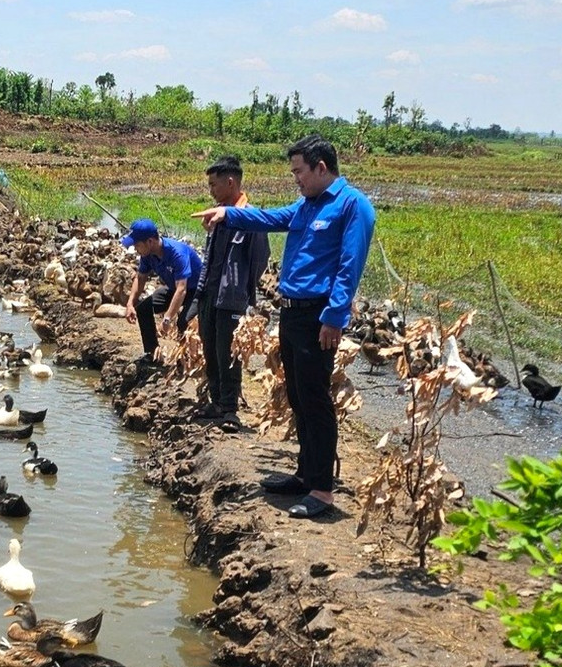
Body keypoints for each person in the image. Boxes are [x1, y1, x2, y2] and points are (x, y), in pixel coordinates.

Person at [195, 135, 375, 518]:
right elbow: (272, 218)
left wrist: (334, 317)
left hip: (317, 315)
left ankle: (322, 491)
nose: (296, 179)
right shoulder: (307, 205)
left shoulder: (352, 206)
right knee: (297, 396)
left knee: (315, 401)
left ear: (321, 168)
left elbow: (349, 266)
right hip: (292, 313)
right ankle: (305, 474)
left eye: (299, 171)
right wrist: (228, 214)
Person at [193, 156, 270, 431]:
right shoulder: (217, 214)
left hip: (232, 298)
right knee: (211, 349)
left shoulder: (251, 217)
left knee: (228, 354)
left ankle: (229, 409)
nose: (210, 190)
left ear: (230, 182)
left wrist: (242, 288)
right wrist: (199, 295)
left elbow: (260, 259)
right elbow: (208, 257)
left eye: (214, 184)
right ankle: (216, 403)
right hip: (210, 295)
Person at [120, 218, 203, 363]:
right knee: (143, 308)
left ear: (150, 241)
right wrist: (130, 304)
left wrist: (167, 318)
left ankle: (186, 359)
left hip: (196, 290)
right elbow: (140, 278)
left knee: (183, 321)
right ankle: (152, 354)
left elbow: (182, 290)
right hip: (173, 287)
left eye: (137, 245)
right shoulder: (147, 255)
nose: (136, 249)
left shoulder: (177, 253)